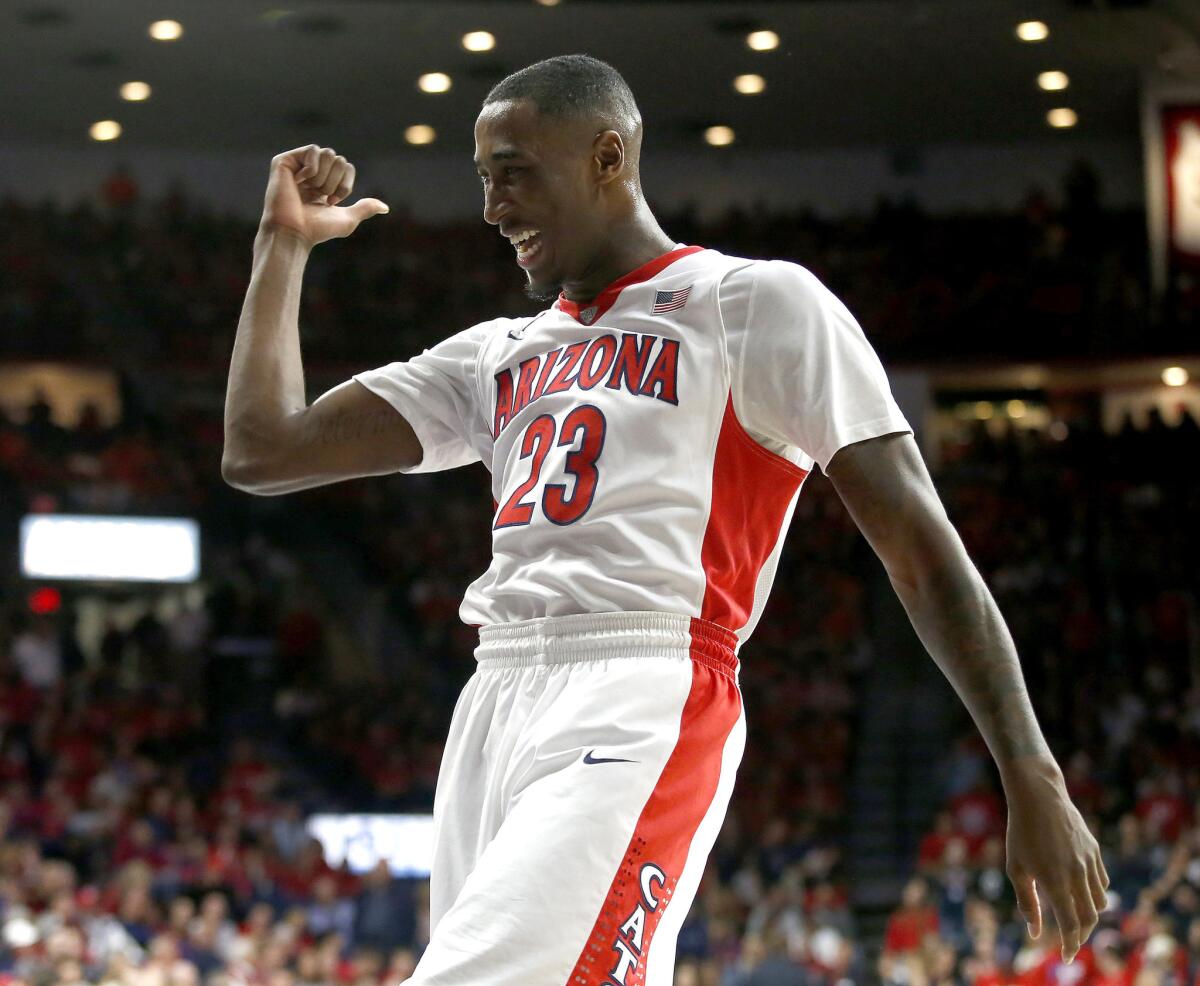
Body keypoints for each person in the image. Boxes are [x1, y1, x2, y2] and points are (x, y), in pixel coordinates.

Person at [222, 53, 1108, 986]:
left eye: (514, 173)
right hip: (493, 697)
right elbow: (263, 450)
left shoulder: (754, 303)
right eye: (484, 180)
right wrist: (281, 250)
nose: (492, 208)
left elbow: (925, 553)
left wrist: (1032, 774)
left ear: (607, 156)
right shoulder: (494, 355)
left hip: (646, 683)